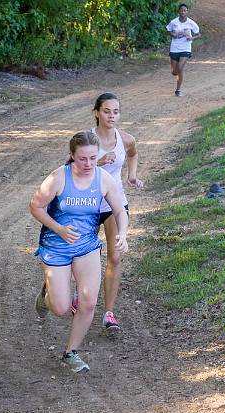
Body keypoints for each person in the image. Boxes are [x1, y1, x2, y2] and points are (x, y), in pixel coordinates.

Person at [30, 131, 129, 373]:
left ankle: (70, 352)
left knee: (88, 301)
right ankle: (47, 297)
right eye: (82, 159)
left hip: (86, 247)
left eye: (93, 158)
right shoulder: (58, 178)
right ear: (72, 156)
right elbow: (35, 206)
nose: (88, 164)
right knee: (61, 308)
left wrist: (122, 234)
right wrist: (59, 228)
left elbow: (120, 209)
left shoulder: (103, 179)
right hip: (56, 247)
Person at [89, 92, 143, 331]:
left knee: (115, 256)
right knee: (81, 257)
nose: (111, 116)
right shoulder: (86, 139)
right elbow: (69, 166)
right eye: (107, 111)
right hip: (86, 204)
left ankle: (108, 312)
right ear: (97, 113)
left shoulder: (126, 138)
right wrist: (96, 162)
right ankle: (68, 291)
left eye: (116, 111)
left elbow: (133, 153)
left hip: (114, 203)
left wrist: (132, 176)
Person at [166, 3, 201, 97]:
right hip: (174, 48)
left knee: (180, 68)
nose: (183, 12)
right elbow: (167, 30)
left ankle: (178, 89)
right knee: (174, 72)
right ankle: (178, 86)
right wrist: (173, 35)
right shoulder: (174, 22)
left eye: (185, 10)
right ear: (179, 11)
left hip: (186, 48)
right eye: (181, 10)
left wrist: (192, 38)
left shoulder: (191, 23)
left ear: (187, 12)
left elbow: (198, 34)